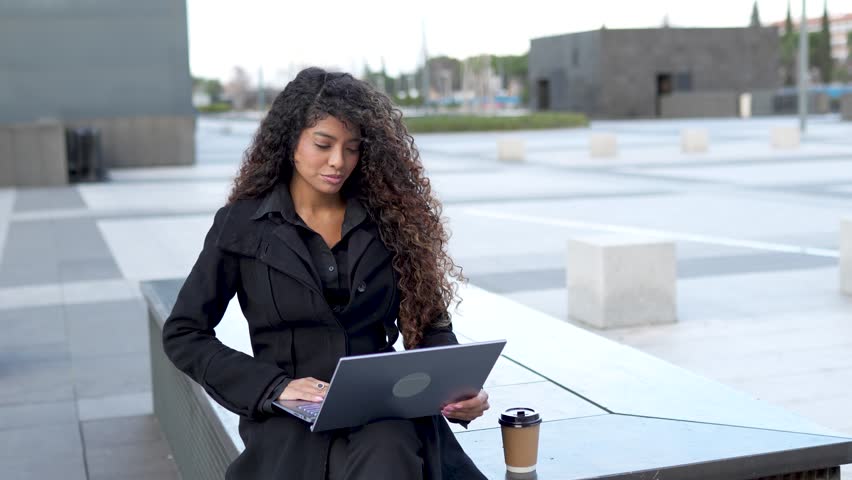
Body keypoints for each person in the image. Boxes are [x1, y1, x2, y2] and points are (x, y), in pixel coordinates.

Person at [161, 67, 489, 479]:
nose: (339, 161)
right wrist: (273, 388)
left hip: (381, 408)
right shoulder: (241, 226)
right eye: (323, 144)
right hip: (290, 418)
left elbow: (429, 325)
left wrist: (456, 390)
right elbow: (184, 333)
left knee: (388, 449)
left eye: (352, 148)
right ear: (290, 142)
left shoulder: (392, 221)